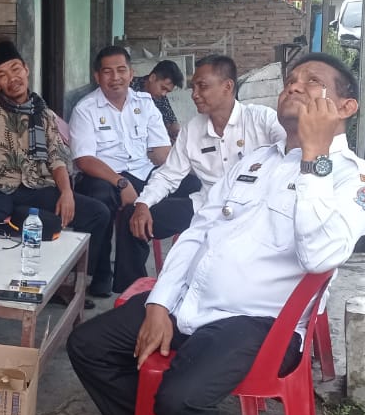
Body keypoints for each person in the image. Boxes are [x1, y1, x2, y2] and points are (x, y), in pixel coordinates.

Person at [67, 53, 365, 415]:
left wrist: (314, 159)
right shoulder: (253, 162)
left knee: (181, 398)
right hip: (192, 301)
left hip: (258, 323)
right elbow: (197, 233)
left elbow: (319, 256)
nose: (293, 86)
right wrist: (159, 302)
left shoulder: (354, 177)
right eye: (290, 79)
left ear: (345, 108)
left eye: (312, 81)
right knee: (89, 345)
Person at [113, 55, 285, 292]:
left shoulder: (261, 119)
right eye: (193, 87)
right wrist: (143, 204)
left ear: (227, 86)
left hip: (254, 212)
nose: (194, 94)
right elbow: (168, 175)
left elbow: (293, 149)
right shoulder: (193, 129)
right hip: (206, 207)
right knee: (132, 216)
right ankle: (133, 292)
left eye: (202, 86)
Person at [0, 40, 110, 308]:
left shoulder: (44, 114)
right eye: (2, 75)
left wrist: (66, 192)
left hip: (35, 188)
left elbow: (57, 157)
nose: (12, 79)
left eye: (15, 69)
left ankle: (68, 285)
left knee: (98, 213)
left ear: (26, 69)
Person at [70, 46, 171, 297]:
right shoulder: (86, 108)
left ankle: (132, 282)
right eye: (107, 72)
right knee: (100, 200)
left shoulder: (145, 103)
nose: (115, 77)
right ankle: (101, 272)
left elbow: (161, 150)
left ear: (131, 73)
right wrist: (122, 184)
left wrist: (173, 172)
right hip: (103, 176)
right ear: (97, 76)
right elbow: (84, 159)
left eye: (121, 70)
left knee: (181, 189)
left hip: (142, 171)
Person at [130, 60, 184, 142]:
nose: (163, 94)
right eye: (163, 88)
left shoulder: (160, 97)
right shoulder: (129, 88)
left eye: (167, 91)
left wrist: (176, 132)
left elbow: (171, 121)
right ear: (152, 78)